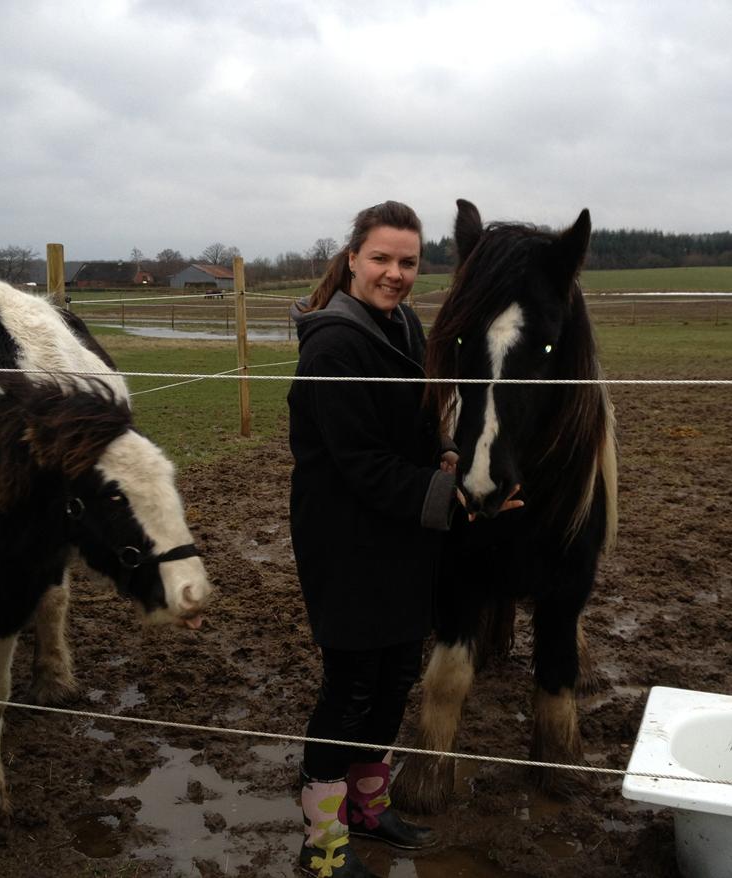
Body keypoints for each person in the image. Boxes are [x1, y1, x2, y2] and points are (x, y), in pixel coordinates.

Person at [287, 200, 457, 878]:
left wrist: (445, 452)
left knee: (395, 678)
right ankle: (323, 842)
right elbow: (360, 463)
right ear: (353, 257)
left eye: (408, 262)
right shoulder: (334, 345)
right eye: (381, 258)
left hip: (403, 535)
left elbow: (416, 420)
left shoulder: (405, 324)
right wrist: (452, 495)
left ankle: (366, 808)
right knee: (351, 687)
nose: (395, 273)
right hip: (346, 541)